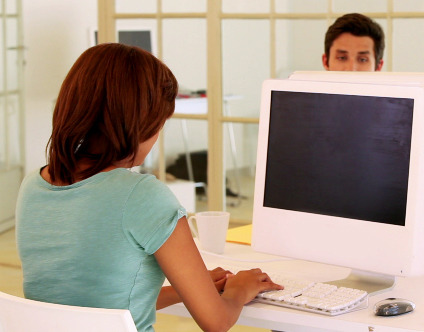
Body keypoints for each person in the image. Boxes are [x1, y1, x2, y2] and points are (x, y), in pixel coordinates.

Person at [15, 43, 282, 332]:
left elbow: (97, 302)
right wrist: (238, 290)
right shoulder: (141, 195)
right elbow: (215, 322)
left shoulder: (33, 186)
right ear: (139, 122)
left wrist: (191, 288)